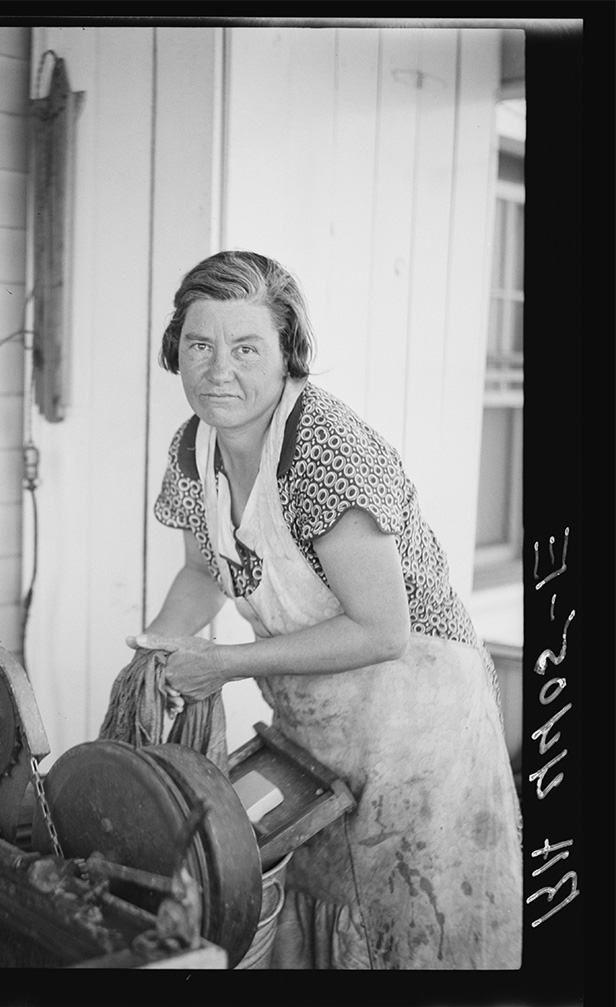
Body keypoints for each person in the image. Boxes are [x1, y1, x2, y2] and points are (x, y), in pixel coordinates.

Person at [127, 250, 521, 969]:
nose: (220, 370)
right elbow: (204, 571)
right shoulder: (194, 450)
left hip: (419, 727)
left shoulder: (321, 445)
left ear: (288, 357)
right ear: (174, 352)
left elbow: (383, 630)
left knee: (405, 935)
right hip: (320, 727)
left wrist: (224, 665)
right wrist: (155, 649)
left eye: (247, 348)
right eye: (199, 345)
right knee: (318, 925)